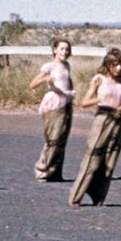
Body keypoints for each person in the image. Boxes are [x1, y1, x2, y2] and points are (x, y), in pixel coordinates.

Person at [69, 48, 121, 207]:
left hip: (119, 121)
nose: (119, 68)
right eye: (115, 65)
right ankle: (76, 197)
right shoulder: (98, 79)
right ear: (107, 65)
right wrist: (99, 99)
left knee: (110, 159)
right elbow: (84, 102)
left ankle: (99, 198)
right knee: (93, 158)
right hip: (102, 119)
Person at [29, 37, 76, 182]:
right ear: (55, 50)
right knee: (53, 138)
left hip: (66, 102)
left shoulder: (66, 66)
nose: (65, 52)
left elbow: (68, 83)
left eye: (67, 49)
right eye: (61, 48)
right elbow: (32, 84)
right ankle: (42, 169)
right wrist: (46, 79)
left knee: (62, 138)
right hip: (54, 104)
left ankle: (55, 172)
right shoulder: (49, 66)